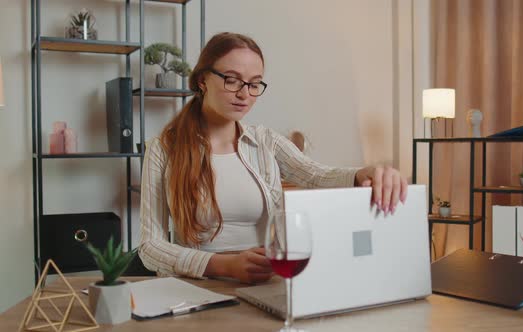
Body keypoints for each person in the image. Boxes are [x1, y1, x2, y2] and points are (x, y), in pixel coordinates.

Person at [138, 32, 408, 284]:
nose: (244, 94)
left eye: (254, 84)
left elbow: (316, 175)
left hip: (263, 284)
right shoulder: (163, 149)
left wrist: (366, 173)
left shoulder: (265, 141)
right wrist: (222, 265)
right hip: (194, 290)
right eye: (232, 79)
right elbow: (150, 247)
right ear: (202, 80)